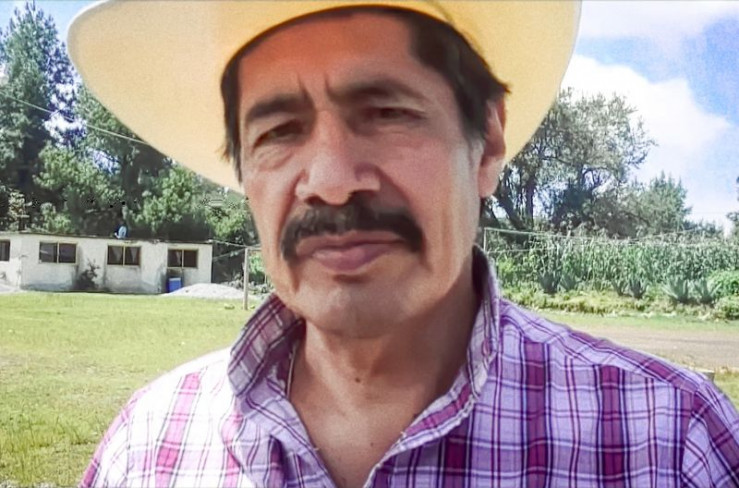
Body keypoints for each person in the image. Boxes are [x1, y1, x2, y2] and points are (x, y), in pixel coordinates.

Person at [69, 2, 739, 487]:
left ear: (487, 145)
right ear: (245, 175)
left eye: (386, 113)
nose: (331, 182)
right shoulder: (150, 448)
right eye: (278, 132)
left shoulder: (666, 444)